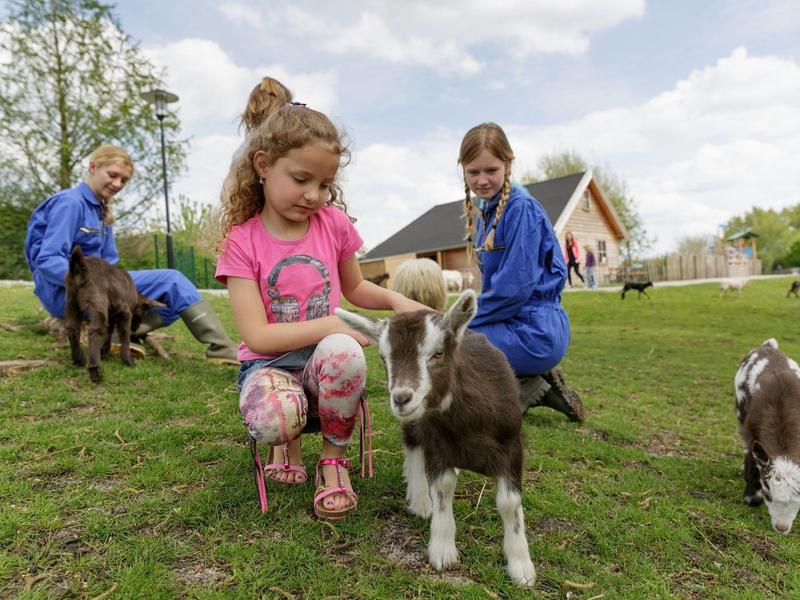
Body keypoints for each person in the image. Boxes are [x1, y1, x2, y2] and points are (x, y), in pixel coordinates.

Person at [215, 104, 427, 519]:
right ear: (263, 165)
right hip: (268, 366)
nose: (314, 195)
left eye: (325, 184)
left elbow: (356, 287)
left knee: (344, 352)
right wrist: (336, 322)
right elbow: (257, 336)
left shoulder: (332, 224)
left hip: (320, 364)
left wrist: (396, 301)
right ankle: (285, 441)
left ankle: (332, 460)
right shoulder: (242, 242)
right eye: (301, 179)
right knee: (279, 415)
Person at [25, 144, 239, 364]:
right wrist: (91, 283)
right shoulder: (71, 203)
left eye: (124, 180)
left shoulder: (101, 211)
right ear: (92, 167)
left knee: (172, 301)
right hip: (65, 294)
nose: (117, 184)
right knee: (172, 280)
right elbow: (47, 260)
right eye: (112, 175)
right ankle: (220, 347)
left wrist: (128, 291)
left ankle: (118, 334)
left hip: (97, 289)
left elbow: (110, 263)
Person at [457, 122, 585, 422]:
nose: (482, 180)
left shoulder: (521, 210)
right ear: (462, 170)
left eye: (491, 170)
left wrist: (458, 321)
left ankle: (516, 393)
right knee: (446, 338)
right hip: (515, 325)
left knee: (450, 344)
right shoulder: (489, 211)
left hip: (533, 330)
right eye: (474, 172)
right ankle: (530, 383)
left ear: (508, 164)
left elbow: (512, 291)